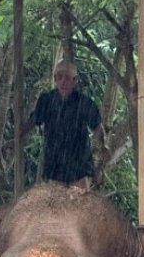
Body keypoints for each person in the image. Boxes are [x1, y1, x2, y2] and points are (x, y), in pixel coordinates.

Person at [20, 59, 104, 190]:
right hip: (55, 166)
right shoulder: (46, 101)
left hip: (79, 167)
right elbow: (33, 121)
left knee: (80, 206)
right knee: (57, 207)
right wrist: (16, 138)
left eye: (67, 78)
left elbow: (98, 129)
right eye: (59, 77)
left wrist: (99, 164)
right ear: (54, 79)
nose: (63, 81)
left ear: (74, 80)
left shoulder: (85, 103)